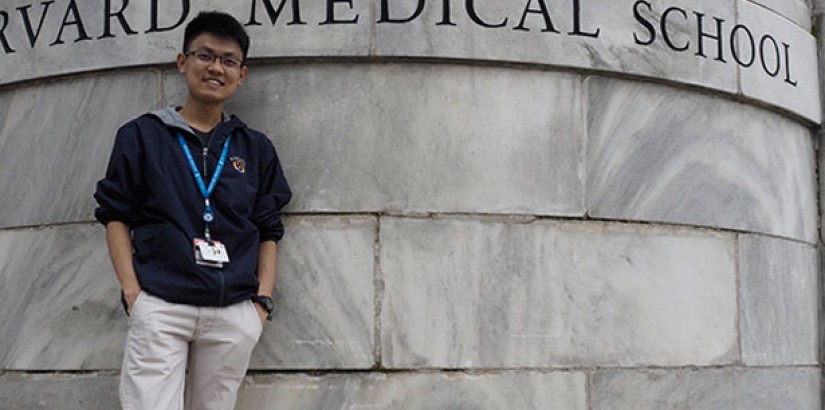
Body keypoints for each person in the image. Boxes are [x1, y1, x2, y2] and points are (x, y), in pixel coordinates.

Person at [94, 11, 291, 410]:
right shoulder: (142, 135)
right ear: (183, 62)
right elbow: (115, 214)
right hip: (162, 305)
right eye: (205, 55)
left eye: (228, 60)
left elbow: (268, 227)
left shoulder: (254, 148)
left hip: (234, 310)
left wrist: (260, 304)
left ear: (242, 74)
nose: (216, 67)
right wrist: (134, 294)